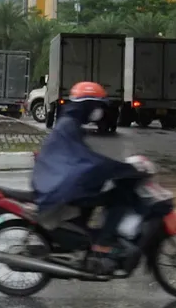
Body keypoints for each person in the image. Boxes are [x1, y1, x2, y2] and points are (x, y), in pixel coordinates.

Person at [31, 81, 139, 272]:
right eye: (97, 105)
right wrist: (120, 169)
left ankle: (92, 237)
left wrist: (113, 168)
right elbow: (86, 160)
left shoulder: (70, 123)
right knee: (118, 195)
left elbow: (84, 158)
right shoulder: (69, 126)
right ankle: (103, 243)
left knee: (103, 189)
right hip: (61, 188)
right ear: (87, 106)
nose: (99, 111)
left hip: (60, 182)